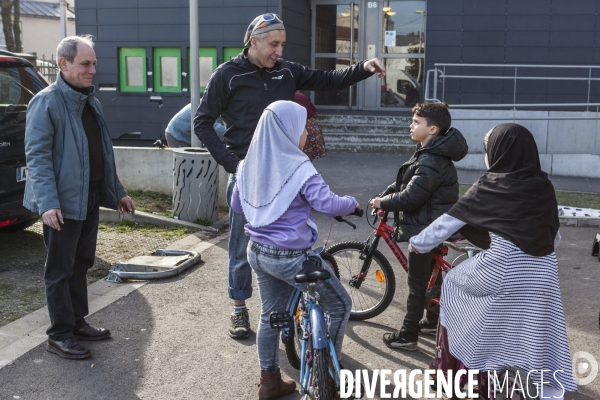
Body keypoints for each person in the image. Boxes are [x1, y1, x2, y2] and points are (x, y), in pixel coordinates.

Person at [194, 12, 385, 339]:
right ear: (253, 41)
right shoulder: (227, 75)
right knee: (242, 247)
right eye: (273, 44)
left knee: (290, 243)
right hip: (247, 174)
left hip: (286, 175)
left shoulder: (287, 71)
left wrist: (362, 68)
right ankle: (239, 309)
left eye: (282, 44)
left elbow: (328, 80)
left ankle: (287, 308)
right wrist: (232, 165)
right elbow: (202, 122)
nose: (279, 51)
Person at [408, 123, 577, 399]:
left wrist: (418, 243)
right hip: (544, 269)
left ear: (500, 151)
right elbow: (553, 236)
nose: (486, 156)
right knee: (539, 323)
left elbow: (448, 222)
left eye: (487, 149)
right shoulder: (543, 185)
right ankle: (546, 387)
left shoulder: (493, 182)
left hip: (503, 267)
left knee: (452, 282)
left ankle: (452, 367)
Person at [230, 100, 356, 399]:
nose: (305, 135)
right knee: (339, 305)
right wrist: (352, 203)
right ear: (289, 129)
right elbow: (327, 204)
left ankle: (269, 382)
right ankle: (328, 374)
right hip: (291, 257)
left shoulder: (247, 164)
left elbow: (237, 206)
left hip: (257, 251)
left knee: (269, 316)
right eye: (303, 128)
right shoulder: (299, 165)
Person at [23, 35, 135, 360]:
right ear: (64, 64)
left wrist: (119, 192)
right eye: (86, 63)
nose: (93, 70)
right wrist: (47, 203)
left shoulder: (90, 102)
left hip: (90, 196)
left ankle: (77, 322)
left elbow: (102, 154)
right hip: (61, 204)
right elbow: (38, 157)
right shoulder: (46, 103)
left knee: (82, 263)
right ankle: (59, 335)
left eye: (94, 63)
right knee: (59, 270)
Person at [369, 102, 467, 350]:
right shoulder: (428, 152)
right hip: (434, 224)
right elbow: (405, 181)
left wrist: (383, 202)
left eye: (416, 122)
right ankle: (433, 320)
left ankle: (407, 335)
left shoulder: (431, 159)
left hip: (427, 228)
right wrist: (387, 193)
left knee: (416, 285)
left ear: (432, 129)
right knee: (432, 277)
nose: (411, 125)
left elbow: (411, 197)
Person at [293, 92, 327, 160]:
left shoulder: (291, 98)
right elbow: (313, 110)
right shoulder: (301, 96)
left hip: (302, 128)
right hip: (312, 127)